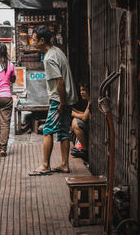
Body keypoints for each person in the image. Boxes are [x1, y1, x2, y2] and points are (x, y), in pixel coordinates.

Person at [29, 25, 78, 176]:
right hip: (68, 98)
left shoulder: (49, 58)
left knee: (48, 130)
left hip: (59, 100)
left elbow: (60, 82)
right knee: (63, 131)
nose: (33, 42)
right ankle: (64, 164)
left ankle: (45, 165)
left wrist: (61, 102)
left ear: (42, 40)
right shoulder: (57, 51)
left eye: (35, 40)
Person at [71, 83, 90, 161]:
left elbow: (85, 117)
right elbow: (85, 113)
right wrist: (74, 110)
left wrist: (73, 113)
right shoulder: (89, 101)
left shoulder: (91, 101)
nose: (81, 92)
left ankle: (84, 150)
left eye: (84, 90)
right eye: (81, 90)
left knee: (75, 122)